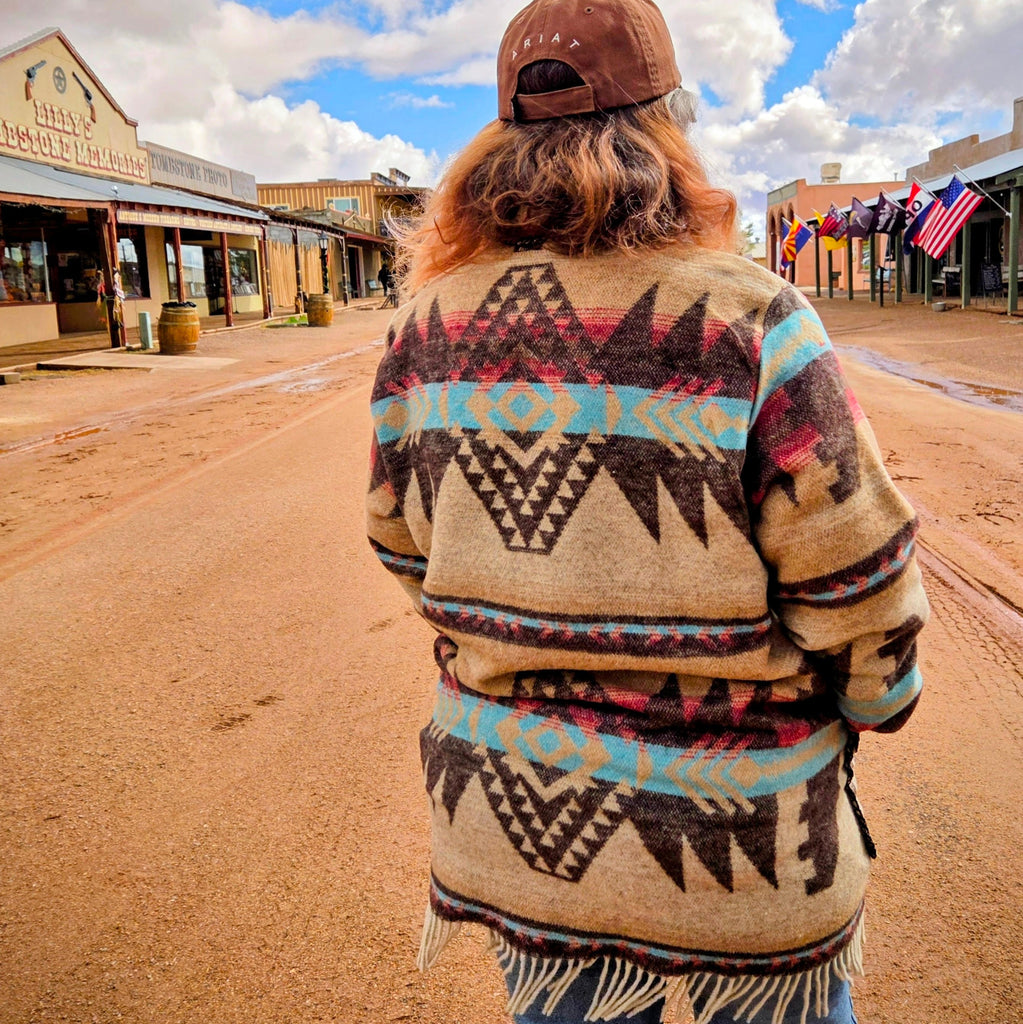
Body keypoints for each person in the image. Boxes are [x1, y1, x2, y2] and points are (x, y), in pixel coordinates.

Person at [366, 1, 929, 1022]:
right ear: (667, 127)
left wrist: (523, 609)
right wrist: (878, 701)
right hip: (748, 854)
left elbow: (402, 541)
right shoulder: (751, 317)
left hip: (525, 831)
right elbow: (857, 580)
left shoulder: (425, 332)